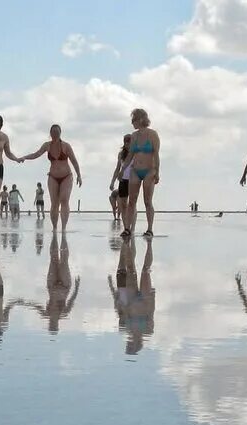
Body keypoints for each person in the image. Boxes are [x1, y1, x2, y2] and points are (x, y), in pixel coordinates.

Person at [19, 124, 82, 232]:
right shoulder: (47, 145)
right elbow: (36, 154)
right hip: (53, 177)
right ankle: (54, 227)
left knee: (64, 200)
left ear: (60, 133)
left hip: (66, 176)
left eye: (57, 132)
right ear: (50, 133)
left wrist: (79, 175)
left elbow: (74, 161)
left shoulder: (66, 146)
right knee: (54, 203)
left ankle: (63, 228)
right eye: (53, 132)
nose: (55, 134)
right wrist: (24, 157)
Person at [109, 240, 155, 354]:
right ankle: (149, 243)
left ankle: (127, 241)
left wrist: (117, 291)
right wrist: (152, 298)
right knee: (145, 271)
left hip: (131, 299)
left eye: (128, 346)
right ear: (137, 345)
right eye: (130, 346)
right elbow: (151, 312)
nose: (129, 343)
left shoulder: (125, 328)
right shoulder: (148, 331)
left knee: (130, 267)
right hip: (144, 300)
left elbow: (121, 308)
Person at [122, 109, 159, 239]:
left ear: (141, 119)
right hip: (135, 170)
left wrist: (157, 172)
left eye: (134, 120)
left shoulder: (153, 134)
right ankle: (127, 228)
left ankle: (149, 229)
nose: (132, 123)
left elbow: (156, 155)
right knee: (131, 200)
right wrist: (123, 169)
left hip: (149, 170)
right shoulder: (134, 136)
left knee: (147, 201)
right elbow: (130, 154)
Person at [109, 134, 132, 223]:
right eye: (125, 142)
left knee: (132, 204)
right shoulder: (121, 154)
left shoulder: (135, 153)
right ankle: (126, 226)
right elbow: (117, 168)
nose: (127, 145)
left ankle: (131, 226)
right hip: (123, 180)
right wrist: (112, 182)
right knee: (123, 204)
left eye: (129, 142)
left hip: (133, 180)